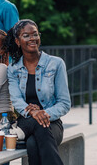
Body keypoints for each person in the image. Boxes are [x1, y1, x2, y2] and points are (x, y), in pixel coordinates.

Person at [6, 19, 71, 165]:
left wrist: (43, 113)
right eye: (26, 35)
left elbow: (64, 103)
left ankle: (23, 129)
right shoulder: (13, 69)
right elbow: (17, 101)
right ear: (18, 41)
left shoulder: (56, 64)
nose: (32, 39)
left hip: (51, 121)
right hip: (26, 119)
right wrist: (33, 113)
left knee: (32, 144)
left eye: (35, 34)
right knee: (34, 139)